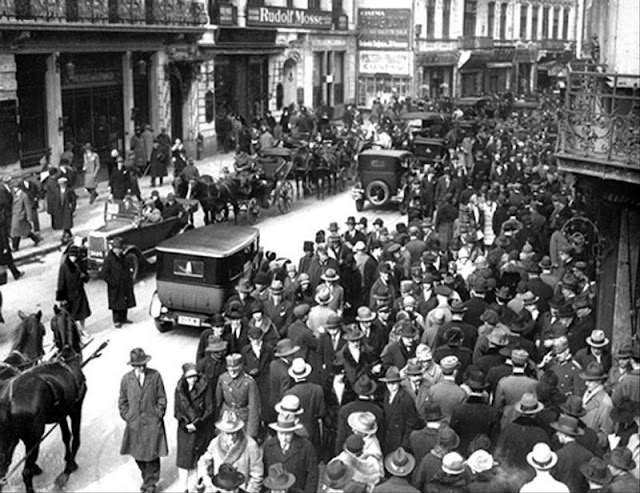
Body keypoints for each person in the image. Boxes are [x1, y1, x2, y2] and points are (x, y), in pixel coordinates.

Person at [118, 348, 168, 493]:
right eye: (138, 365)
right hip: (135, 424)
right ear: (132, 366)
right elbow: (122, 400)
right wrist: (127, 416)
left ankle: (150, 484)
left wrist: (158, 413)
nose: (142, 367)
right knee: (138, 455)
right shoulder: (126, 379)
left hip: (152, 423)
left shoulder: (155, 375)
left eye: (143, 364)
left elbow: (162, 397)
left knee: (152, 454)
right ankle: (147, 479)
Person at [198, 411, 264, 493]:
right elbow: (203, 462)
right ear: (222, 431)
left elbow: (257, 475)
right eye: (227, 433)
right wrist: (207, 482)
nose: (231, 437)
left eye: (233, 433)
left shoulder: (250, 445)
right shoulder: (215, 443)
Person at [175, 362, 214, 492]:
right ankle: (184, 487)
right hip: (185, 429)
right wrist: (186, 423)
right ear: (184, 378)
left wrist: (197, 423)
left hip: (201, 428)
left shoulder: (205, 387)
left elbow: (209, 408)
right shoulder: (180, 389)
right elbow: (177, 410)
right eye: (189, 377)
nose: (193, 379)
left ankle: (196, 485)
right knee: (184, 460)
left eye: (195, 376)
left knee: (199, 458)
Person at [263, 415, 319, 493]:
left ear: (293, 431)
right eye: (281, 433)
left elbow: (312, 475)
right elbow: (264, 473)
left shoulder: (306, 446)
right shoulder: (268, 446)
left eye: (288, 434)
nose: (284, 438)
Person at [216, 353, 261, 438]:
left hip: (242, 419)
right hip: (225, 417)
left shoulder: (249, 382)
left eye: (236, 368)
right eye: (230, 368)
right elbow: (217, 402)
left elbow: (254, 408)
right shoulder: (222, 378)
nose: (232, 371)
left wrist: (251, 432)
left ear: (241, 367)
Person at [99, 236, 136, 328]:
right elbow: (104, 274)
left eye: (120, 249)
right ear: (114, 249)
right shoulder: (109, 259)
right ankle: (116, 320)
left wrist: (129, 278)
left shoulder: (123, 257)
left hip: (124, 283)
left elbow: (127, 267)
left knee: (125, 300)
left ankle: (124, 318)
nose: (119, 251)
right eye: (118, 249)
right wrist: (112, 282)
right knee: (116, 303)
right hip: (115, 285)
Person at [56, 244, 91, 334]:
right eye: (71, 256)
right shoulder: (64, 267)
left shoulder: (80, 264)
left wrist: (84, 276)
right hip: (69, 294)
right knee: (71, 315)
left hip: (79, 292)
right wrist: (61, 297)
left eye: (74, 256)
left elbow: (86, 277)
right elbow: (61, 282)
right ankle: (74, 331)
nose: (73, 258)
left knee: (82, 313)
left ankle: (83, 329)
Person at [10, 183, 40, 251]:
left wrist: (29, 217)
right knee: (20, 231)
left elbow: (27, 207)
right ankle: (36, 239)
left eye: (15, 188)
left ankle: (15, 246)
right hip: (15, 215)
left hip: (21, 216)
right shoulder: (14, 195)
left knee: (18, 232)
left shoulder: (24, 196)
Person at [50, 176, 77, 244]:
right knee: (63, 223)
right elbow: (54, 200)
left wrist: (72, 209)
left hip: (67, 209)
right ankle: (68, 234)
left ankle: (66, 236)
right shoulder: (57, 191)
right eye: (60, 183)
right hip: (60, 209)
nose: (62, 184)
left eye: (63, 183)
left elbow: (73, 200)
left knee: (67, 223)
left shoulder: (69, 190)